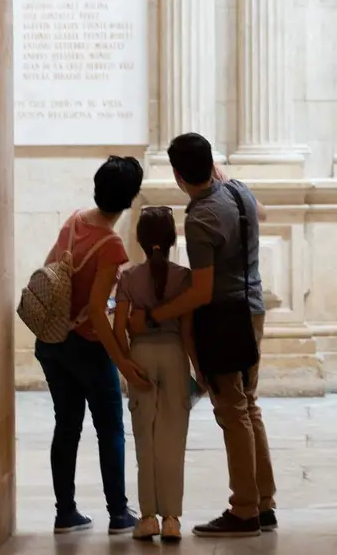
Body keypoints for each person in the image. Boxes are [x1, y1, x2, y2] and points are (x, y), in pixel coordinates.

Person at [127, 133, 277, 538]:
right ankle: (264, 502)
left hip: (226, 318)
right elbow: (260, 213)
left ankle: (244, 509)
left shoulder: (200, 220)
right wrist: (225, 181)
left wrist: (155, 315)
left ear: (177, 176)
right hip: (253, 308)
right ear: (212, 164)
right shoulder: (239, 191)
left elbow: (202, 290)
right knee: (249, 405)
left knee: (232, 410)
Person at [34, 155, 149, 535]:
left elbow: (54, 273)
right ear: (131, 198)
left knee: (66, 427)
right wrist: (123, 362)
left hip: (52, 342)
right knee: (110, 429)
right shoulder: (111, 245)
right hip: (87, 347)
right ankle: (118, 513)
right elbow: (98, 313)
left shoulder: (74, 220)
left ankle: (65, 512)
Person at [112, 206, 202, 542]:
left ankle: (147, 517)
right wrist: (199, 371)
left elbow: (118, 327)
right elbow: (189, 331)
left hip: (142, 355)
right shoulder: (184, 277)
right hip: (176, 356)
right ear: (172, 239)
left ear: (140, 239)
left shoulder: (129, 277)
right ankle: (172, 519)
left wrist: (126, 361)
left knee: (145, 441)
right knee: (173, 442)